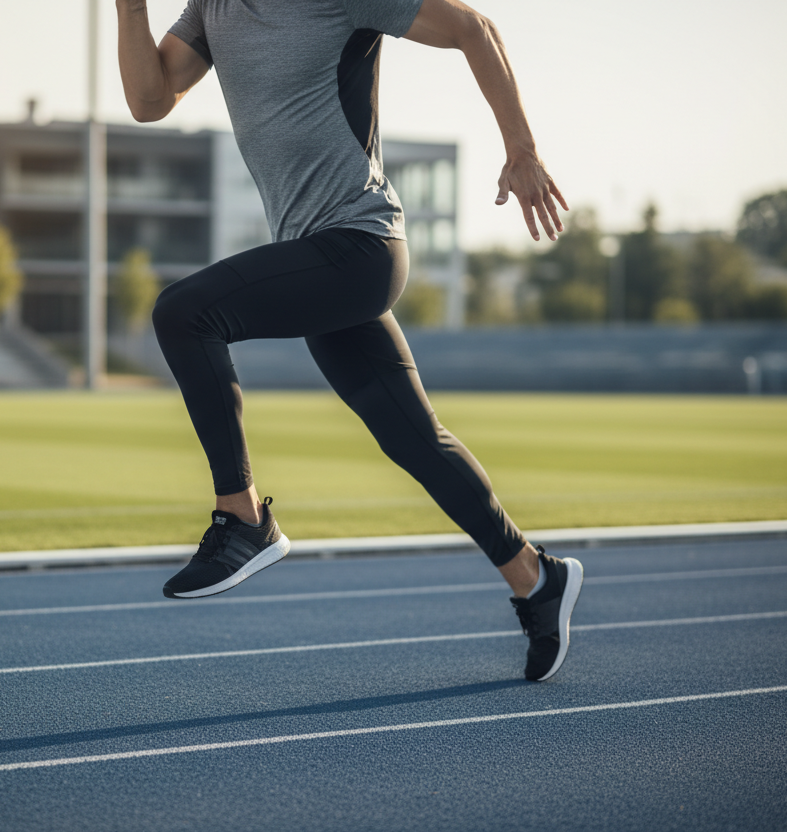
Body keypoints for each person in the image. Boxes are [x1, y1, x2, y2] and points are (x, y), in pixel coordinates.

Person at [116, 0, 582, 682]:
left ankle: (241, 517)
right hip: (317, 258)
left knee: (186, 314)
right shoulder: (211, 6)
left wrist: (522, 150)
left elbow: (472, 29)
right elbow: (151, 99)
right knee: (414, 440)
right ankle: (536, 578)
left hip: (361, 246)